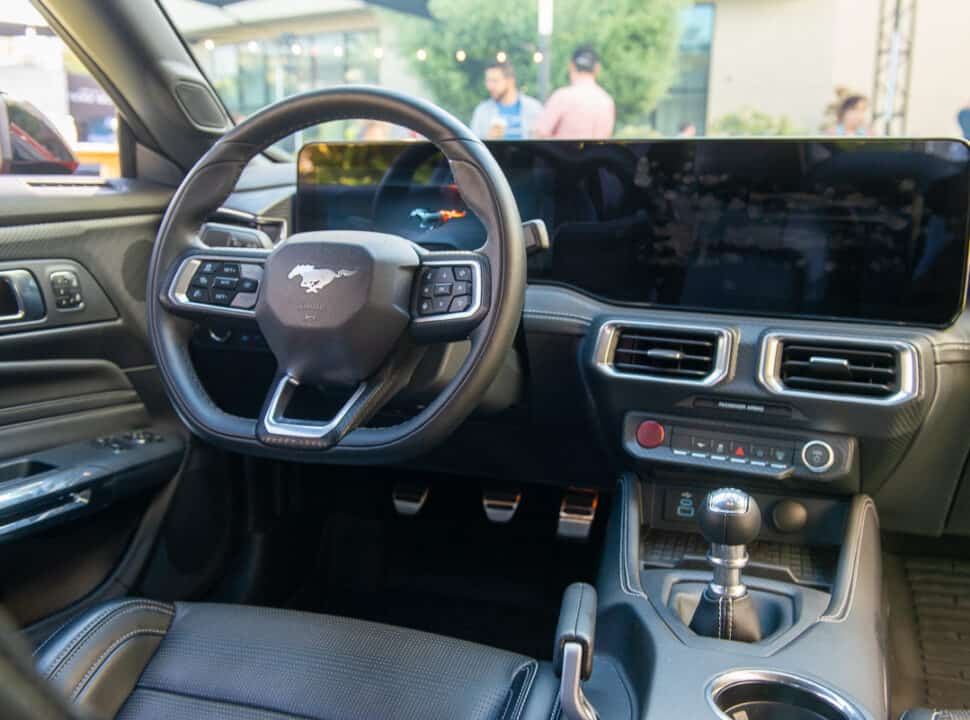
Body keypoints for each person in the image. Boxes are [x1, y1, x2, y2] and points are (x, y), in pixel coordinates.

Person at [534, 45, 615, 140]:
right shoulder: (607, 101)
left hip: (564, 154)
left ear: (571, 66)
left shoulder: (562, 97)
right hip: (597, 155)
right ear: (597, 68)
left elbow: (539, 134)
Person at [470, 61, 543, 139]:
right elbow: (473, 145)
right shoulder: (482, 111)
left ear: (510, 81)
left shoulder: (534, 108)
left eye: (495, 81)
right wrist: (489, 140)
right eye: (488, 81)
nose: (489, 86)